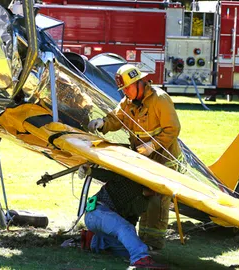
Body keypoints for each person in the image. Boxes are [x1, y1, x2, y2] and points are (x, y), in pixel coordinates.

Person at [87, 64, 183, 250]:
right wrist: (102, 123)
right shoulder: (127, 103)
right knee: (144, 201)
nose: (126, 93)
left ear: (140, 83)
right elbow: (116, 118)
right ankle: (141, 243)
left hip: (164, 162)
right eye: (123, 90)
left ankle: (153, 247)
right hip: (145, 162)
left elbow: (173, 129)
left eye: (128, 88)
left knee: (157, 204)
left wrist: (153, 145)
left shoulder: (160, 99)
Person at [79, 164, 168, 269]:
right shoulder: (129, 179)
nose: (156, 193)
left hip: (106, 224)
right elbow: (108, 175)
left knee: (127, 248)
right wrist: (89, 171)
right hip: (96, 212)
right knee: (125, 228)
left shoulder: (144, 202)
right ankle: (140, 259)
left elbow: (131, 221)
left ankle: (93, 241)